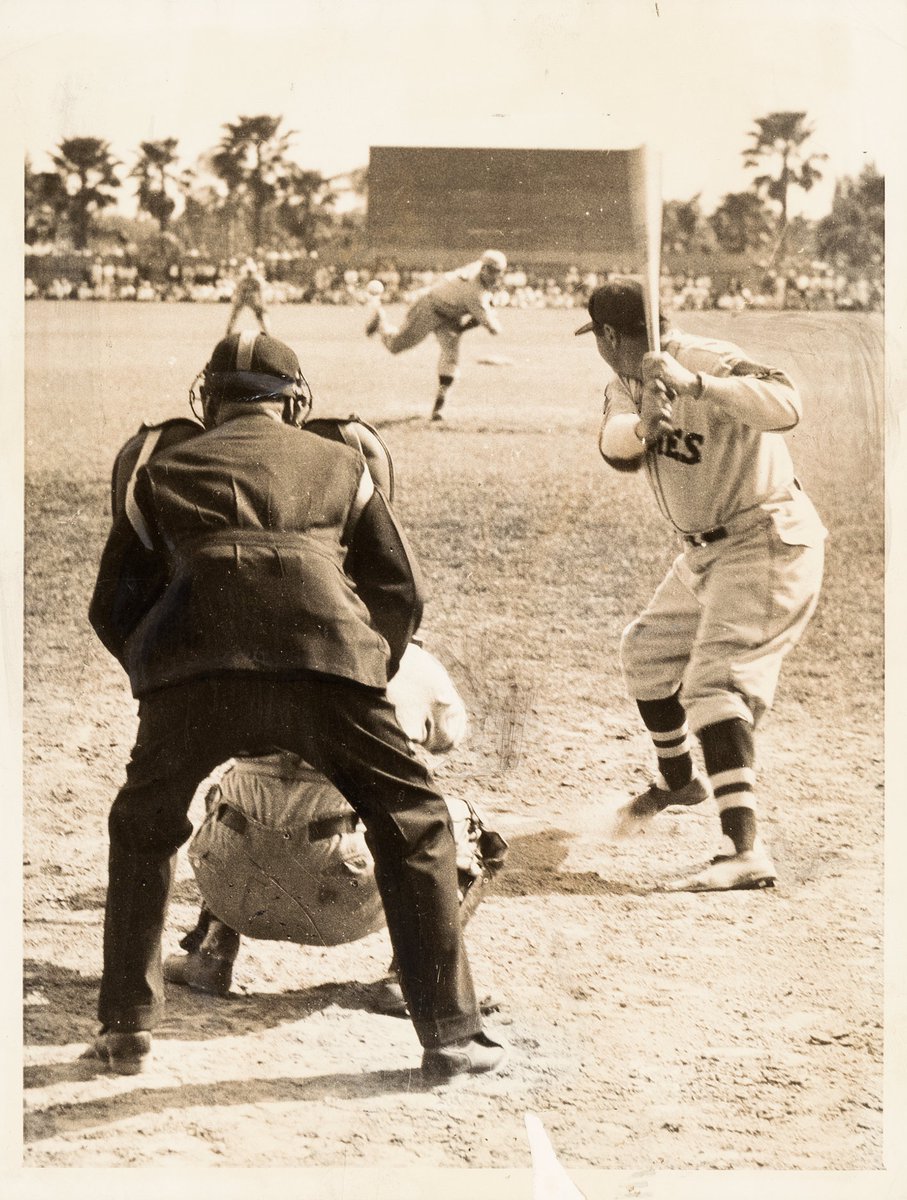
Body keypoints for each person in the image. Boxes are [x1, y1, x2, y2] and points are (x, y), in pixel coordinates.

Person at [85, 329, 505, 1080]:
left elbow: (112, 605)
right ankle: (448, 1034)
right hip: (329, 662)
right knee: (414, 824)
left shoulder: (163, 462)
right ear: (296, 403)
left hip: (196, 670)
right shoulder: (343, 462)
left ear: (207, 400)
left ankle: (125, 1029)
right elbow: (399, 591)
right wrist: (365, 668)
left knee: (142, 825)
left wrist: (161, 676)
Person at [576, 280, 826, 891]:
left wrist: (695, 386)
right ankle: (677, 782)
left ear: (609, 335)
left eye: (596, 338)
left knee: (716, 684)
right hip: (703, 556)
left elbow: (788, 404)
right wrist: (644, 426)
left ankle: (744, 851)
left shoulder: (705, 357)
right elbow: (615, 448)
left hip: (764, 538)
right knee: (647, 653)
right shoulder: (624, 384)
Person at [365, 249, 507, 420]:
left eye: (496, 272)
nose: (492, 275)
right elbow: (493, 329)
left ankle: (439, 407)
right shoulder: (474, 293)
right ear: (483, 268)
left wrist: (486, 306)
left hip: (449, 315)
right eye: (490, 270)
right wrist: (493, 308)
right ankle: (381, 323)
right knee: (395, 346)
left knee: (451, 357)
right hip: (430, 308)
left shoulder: (477, 270)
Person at [226, 257, 271, 335]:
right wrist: (236, 299)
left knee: (260, 316)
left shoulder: (257, 280)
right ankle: (228, 332)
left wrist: (263, 305)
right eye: (249, 272)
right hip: (243, 297)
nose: (250, 273)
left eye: (251, 272)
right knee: (234, 315)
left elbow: (261, 293)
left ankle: (267, 332)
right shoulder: (242, 280)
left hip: (253, 299)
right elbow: (238, 291)